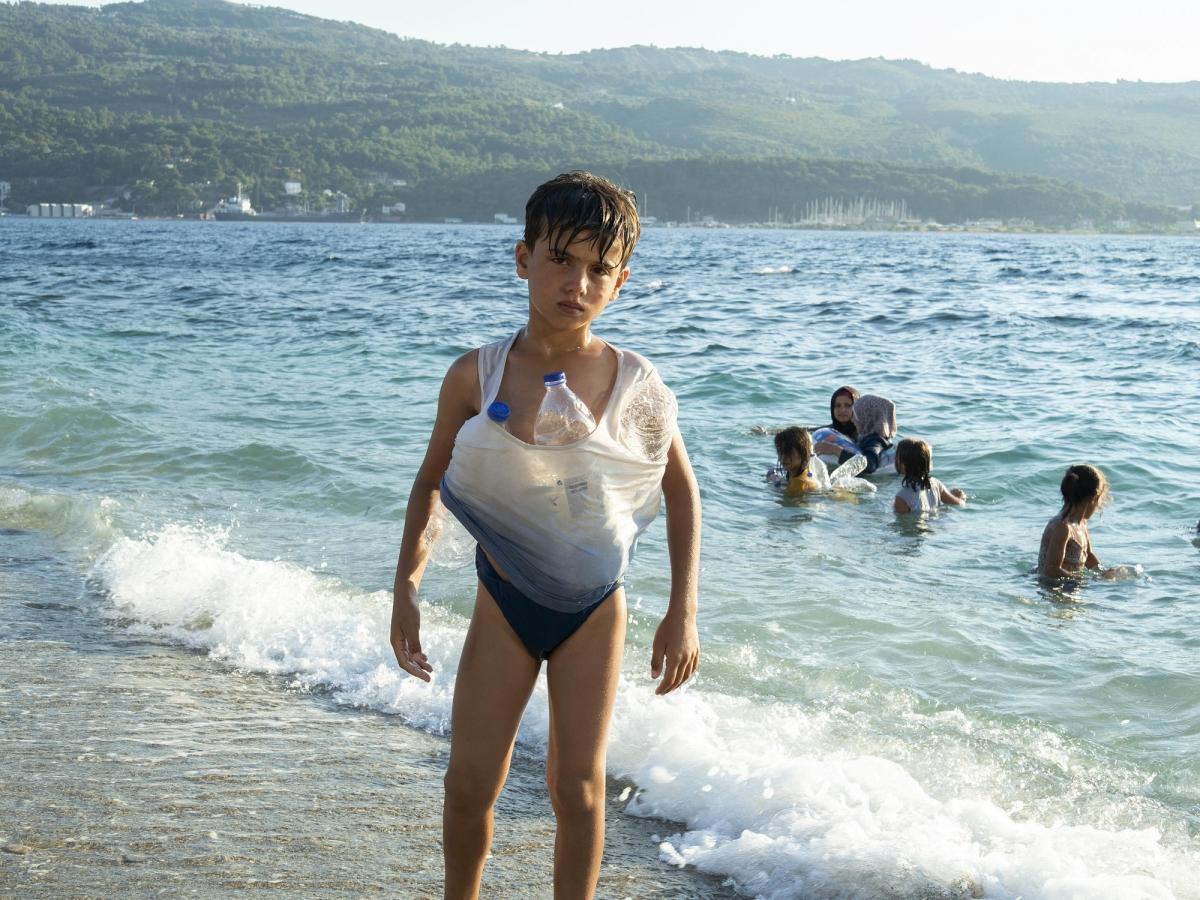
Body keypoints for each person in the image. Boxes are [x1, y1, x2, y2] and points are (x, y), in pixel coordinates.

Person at [388, 171, 701, 900]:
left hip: (594, 606)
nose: (577, 283)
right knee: (469, 782)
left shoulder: (635, 383)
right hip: (504, 596)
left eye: (598, 269)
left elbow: (681, 490)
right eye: (561, 259)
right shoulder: (478, 376)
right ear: (523, 257)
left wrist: (682, 610)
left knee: (578, 789)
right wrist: (406, 587)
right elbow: (432, 480)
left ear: (620, 282)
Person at [1036, 464, 1109, 578]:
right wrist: (1085, 582)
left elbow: (1088, 557)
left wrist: (1105, 573)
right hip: (1052, 589)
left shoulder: (1082, 524)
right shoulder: (1062, 527)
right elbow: (1051, 571)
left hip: (1070, 587)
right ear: (1094, 497)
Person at [892, 438, 966, 514]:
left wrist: (894, 505)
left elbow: (902, 524)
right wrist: (961, 498)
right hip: (936, 524)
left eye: (896, 457)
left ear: (903, 464)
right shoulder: (936, 484)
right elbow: (960, 503)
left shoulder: (902, 498)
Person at [766, 426, 824, 494]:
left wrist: (775, 484)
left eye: (789, 453)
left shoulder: (799, 484)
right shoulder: (799, 473)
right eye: (780, 452)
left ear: (803, 453)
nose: (783, 457)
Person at [848, 394, 896, 475]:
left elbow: (869, 465)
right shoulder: (871, 437)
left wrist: (837, 451)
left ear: (867, 417)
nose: (852, 419)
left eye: (856, 415)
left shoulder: (875, 441)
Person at [813, 385, 859, 459]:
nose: (842, 410)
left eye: (847, 405)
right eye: (838, 405)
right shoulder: (831, 429)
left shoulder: (863, 433)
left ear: (857, 407)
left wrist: (834, 450)